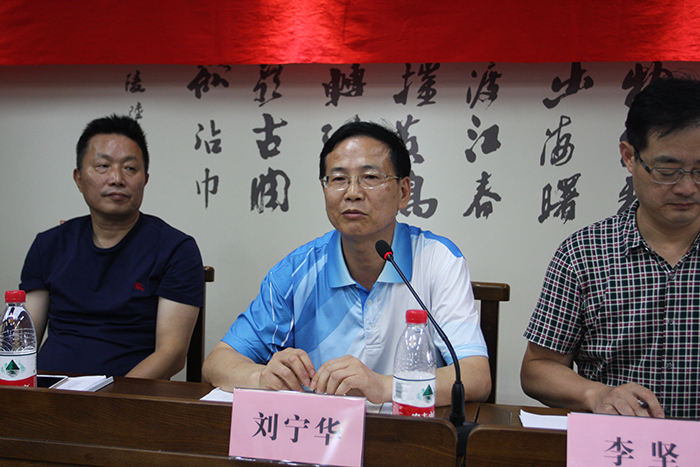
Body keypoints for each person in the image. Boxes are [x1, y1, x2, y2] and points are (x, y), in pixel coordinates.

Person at [203, 121, 491, 405]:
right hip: (321, 431)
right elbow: (218, 362)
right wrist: (262, 376)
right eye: (339, 179)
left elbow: (476, 376)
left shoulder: (438, 260)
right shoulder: (296, 271)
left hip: (407, 429)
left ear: (404, 192)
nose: (353, 192)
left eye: (370, 177)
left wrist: (384, 386)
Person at [521, 77, 700, 419]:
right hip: (617, 442)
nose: (687, 187)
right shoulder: (584, 253)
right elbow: (538, 368)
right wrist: (597, 394)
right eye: (667, 171)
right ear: (629, 157)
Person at [20, 115, 204, 379]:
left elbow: (172, 354)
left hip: (129, 396)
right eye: (103, 166)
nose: (117, 178)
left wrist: (109, 396)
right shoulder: (48, 245)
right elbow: (23, 344)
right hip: (49, 392)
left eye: (130, 168)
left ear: (145, 179)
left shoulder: (176, 250)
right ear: (79, 178)